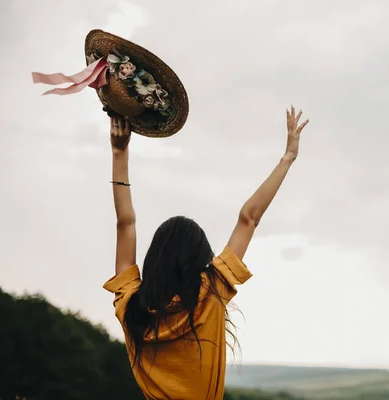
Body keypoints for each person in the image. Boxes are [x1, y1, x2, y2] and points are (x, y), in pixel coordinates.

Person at [102, 106, 310, 399]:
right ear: (199, 260)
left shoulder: (132, 308)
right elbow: (249, 217)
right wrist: (287, 158)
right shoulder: (210, 293)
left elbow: (125, 224)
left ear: (153, 260)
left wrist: (119, 152)